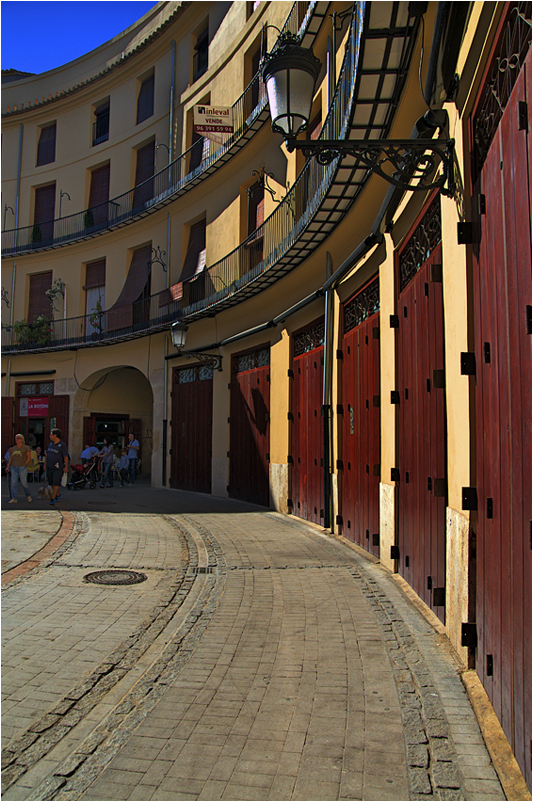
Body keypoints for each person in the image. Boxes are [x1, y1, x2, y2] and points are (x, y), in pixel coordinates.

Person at [6, 434, 32, 504]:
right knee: (13, 483)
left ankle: (28, 495)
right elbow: (11, 457)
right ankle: (14, 498)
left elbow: (29, 457)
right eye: (16, 438)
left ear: (22, 439)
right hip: (13, 466)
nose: (17, 440)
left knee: (24, 483)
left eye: (18, 438)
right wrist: (8, 466)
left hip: (22, 467)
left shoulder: (25, 448)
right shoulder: (13, 448)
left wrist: (25, 464)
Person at [45, 428, 69, 505]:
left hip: (57, 467)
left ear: (55, 435)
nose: (50, 436)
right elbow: (47, 455)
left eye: (51, 435)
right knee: (51, 482)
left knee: (56, 482)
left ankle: (53, 498)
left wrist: (66, 467)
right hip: (49, 466)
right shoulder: (51, 444)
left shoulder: (62, 445)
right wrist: (45, 464)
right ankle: (57, 494)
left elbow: (65, 456)